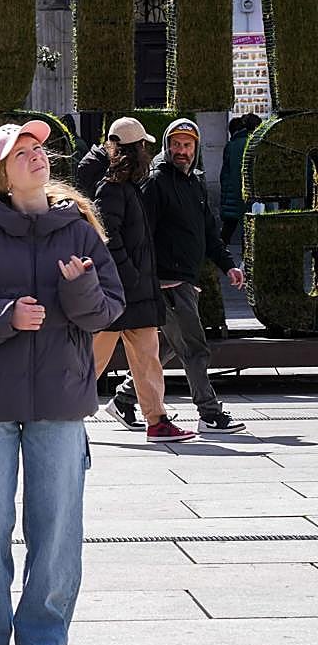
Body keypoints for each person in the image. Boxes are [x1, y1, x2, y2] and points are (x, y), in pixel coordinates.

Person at [0, 121, 125, 645]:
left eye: (39, 149)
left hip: (62, 402)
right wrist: (6, 316)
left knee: (57, 525)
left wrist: (79, 287)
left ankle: (45, 642)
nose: (38, 157)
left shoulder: (80, 231)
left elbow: (109, 308)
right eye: (23, 153)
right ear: (2, 175)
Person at [108, 118, 247, 435]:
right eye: (176, 144)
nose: (181, 151)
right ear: (167, 145)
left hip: (186, 280)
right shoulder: (156, 181)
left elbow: (210, 233)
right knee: (194, 348)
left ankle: (123, 399)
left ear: (196, 149)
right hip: (167, 282)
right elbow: (143, 234)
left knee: (169, 347)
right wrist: (152, 277)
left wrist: (229, 266)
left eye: (187, 145)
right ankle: (209, 413)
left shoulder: (195, 182)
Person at [92, 118, 196, 443]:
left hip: (134, 294)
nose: (147, 152)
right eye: (143, 147)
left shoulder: (127, 188)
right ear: (135, 150)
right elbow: (107, 238)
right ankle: (57, 414)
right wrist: (132, 276)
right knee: (92, 360)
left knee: (148, 356)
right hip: (119, 294)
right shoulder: (111, 189)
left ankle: (157, 420)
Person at [219, 114, 260, 245]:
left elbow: (224, 173)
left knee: (227, 230)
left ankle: (216, 260)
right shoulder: (254, 143)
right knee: (248, 230)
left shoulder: (231, 145)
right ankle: (247, 260)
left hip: (232, 194)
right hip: (249, 193)